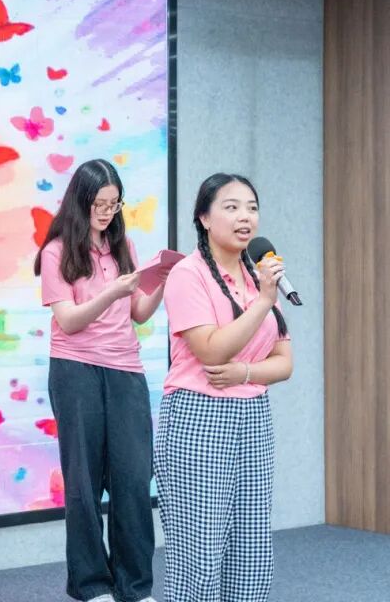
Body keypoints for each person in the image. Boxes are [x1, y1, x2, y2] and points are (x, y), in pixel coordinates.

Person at [157, 173, 292, 602]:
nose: (244, 217)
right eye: (231, 207)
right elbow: (212, 351)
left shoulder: (259, 276)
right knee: (199, 553)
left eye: (251, 207)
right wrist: (264, 302)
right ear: (204, 217)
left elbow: (284, 363)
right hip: (198, 417)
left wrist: (246, 373)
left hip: (254, 418)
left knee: (252, 548)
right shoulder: (187, 274)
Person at [35, 159, 165, 602]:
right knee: (84, 483)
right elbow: (69, 321)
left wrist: (160, 281)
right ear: (81, 201)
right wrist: (112, 291)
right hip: (75, 370)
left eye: (114, 204)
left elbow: (139, 313)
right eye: (100, 204)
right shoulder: (57, 251)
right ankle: (92, 585)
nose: (107, 212)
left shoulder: (123, 244)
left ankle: (135, 586)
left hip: (126, 370)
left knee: (133, 480)